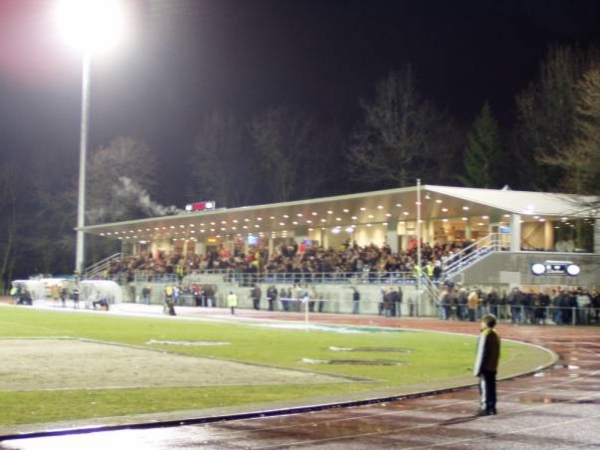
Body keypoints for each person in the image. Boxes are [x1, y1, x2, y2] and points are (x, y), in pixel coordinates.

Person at [473, 314, 501, 416]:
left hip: (486, 366)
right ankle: (492, 406)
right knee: (492, 387)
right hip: (493, 365)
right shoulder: (495, 334)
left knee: (484, 387)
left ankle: (485, 407)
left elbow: (481, 352)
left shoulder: (485, 334)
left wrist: (477, 369)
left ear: (485, 323)